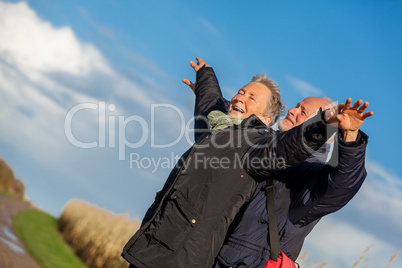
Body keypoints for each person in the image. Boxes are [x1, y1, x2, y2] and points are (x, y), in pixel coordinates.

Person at [122, 58, 339, 268]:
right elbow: (216, 112)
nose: (240, 97)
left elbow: (289, 147)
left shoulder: (259, 147)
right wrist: (206, 79)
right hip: (157, 240)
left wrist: (325, 125)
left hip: (186, 254)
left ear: (265, 120)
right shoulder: (223, 131)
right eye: (241, 91)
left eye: (252, 97)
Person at [186, 70, 372, 267]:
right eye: (297, 106)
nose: (292, 110)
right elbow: (228, 129)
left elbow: (343, 185)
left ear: (321, 127)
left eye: (303, 113)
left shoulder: (310, 174)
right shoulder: (266, 146)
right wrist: (207, 93)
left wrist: (350, 136)